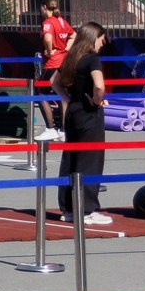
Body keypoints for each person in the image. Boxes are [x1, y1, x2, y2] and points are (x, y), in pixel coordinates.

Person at [54, 22, 111, 228]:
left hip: (73, 110)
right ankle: (86, 210)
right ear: (94, 37)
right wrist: (97, 100)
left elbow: (54, 81)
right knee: (90, 160)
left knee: (71, 159)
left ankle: (68, 209)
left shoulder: (71, 58)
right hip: (88, 113)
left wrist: (67, 99)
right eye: (102, 40)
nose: (102, 45)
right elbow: (99, 85)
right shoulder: (92, 59)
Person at [37, 0, 75, 140]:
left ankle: (50, 128)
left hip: (53, 62)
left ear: (44, 7)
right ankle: (64, 131)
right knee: (61, 93)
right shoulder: (62, 21)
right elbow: (74, 35)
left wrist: (49, 49)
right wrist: (66, 49)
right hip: (63, 60)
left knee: (40, 92)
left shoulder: (48, 22)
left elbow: (47, 38)